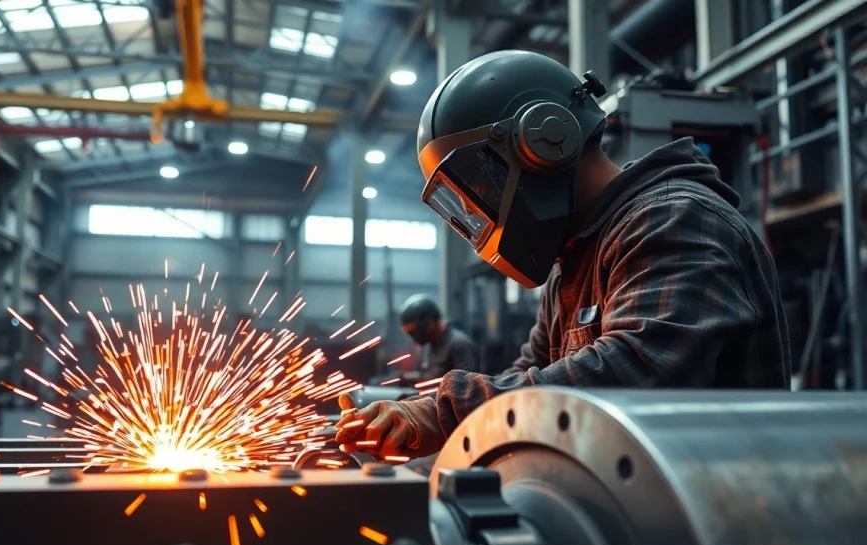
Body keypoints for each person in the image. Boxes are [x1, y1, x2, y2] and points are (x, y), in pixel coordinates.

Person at [336, 50, 790, 461]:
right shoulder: (573, 255)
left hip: (726, 524)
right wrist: (413, 422)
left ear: (542, 142)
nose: (481, 211)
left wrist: (446, 413)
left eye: (480, 190)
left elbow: (638, 372)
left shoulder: (676, 219)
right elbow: (529, 373)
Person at [397, 295, 478, 381]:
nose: (413, 338)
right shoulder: (428, 346)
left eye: (414, 332)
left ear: (430, 323)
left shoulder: (460, 345)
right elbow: (427, 376)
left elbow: (468, 387)